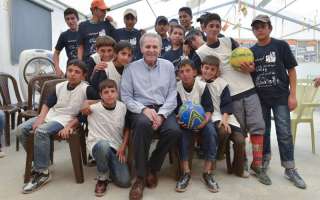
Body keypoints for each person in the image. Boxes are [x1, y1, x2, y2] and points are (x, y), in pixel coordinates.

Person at [192, 13, 270, 185]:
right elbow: (193, 72)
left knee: (258, 126)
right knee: (239, 133)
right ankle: (240, 163)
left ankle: (257, 164)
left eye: (217, 25)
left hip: (249, 88)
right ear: (203, 29)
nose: (214, 28)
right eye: (210, 25)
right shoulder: (200, 53)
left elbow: (247, 57)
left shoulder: (229, 41)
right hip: (230, 95)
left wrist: (251, 66)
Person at [15, 59, 99, 194]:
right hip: (51, 116)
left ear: (83, 76)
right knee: (21, 129)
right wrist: (40, 119)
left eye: (77, 72)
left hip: (66, 119)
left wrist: (71, 125)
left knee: (41, 131)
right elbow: (47, 104)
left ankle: (42, 172)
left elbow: (93, 108)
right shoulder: (60, 86)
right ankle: (41, 161)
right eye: (70, 70)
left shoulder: (87, 89)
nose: (72, 74)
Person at [121, 33, 182, 200]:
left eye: (155, 47)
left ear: (160, 49)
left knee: (174, 131)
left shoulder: (168, 66)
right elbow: (126, 97)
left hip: (163, 108)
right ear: (141, 48)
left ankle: (153, 167)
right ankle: (140, 177)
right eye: (147, 46)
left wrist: (162, 115)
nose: (151, 50)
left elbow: (172, 94)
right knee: (142, 125)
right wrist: (143, 110)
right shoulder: (131, 68)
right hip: (140, 110)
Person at [249, 14, 306, 189]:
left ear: (269, 28)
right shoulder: (251, 51)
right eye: (256, 27)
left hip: (281, 96)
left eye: (262, 26)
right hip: (261, 99)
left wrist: (293, 95)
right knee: (263, 131)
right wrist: (249, 69)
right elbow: (250, 75)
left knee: (284, 132)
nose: (259, 29)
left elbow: (292, 71)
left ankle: (290, 168)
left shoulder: (280, 46)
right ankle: (264, 162)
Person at [175, 59, 219, 193]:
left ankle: (207, 172)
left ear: (194, 72)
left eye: (188, 71)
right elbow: (176, 110)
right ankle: (186, 173)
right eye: (181, 72)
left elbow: (209, 109)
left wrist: (204, 123)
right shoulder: (177, 87)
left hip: (202, 121)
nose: (185, 74)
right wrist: (178, 119)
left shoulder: (202, 86)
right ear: (178, 75)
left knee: (211, 133)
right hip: (185, 123)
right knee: (182, 136)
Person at [200, 55, 248, 178]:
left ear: (217, 72)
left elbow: (227, 103)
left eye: (212, 69)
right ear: (201, 68)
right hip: (212, 116)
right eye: (206, 68)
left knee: (240, 140)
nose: (208, 71)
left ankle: (238, 169)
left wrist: (225, 120)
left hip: (225, 116)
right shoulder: (197, 82)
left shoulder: (222, 84)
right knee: (223, 131)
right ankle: (217, 156)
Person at [86, 79, 131, 197]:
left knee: (125, 182)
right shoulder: (93, 108)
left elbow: (127, 129)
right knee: (103, 146)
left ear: (117, 93)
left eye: (112, 91)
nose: (110, 94)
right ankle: (103, 176)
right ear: (100, 95)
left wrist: (123, 147)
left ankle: (108, 164)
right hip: (98, 144)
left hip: (116, 147)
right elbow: (81, 110)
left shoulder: (122, 107)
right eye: (106, 92)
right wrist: (86, 103)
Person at [53, 7, 80, 77]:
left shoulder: (84, 32)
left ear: (77, 19)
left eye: (72, 18)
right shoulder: (64, 35)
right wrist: (57, 68)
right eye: (67, 19)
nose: (70, 21)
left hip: (84, 69)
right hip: (71, 70)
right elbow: (56, 53)